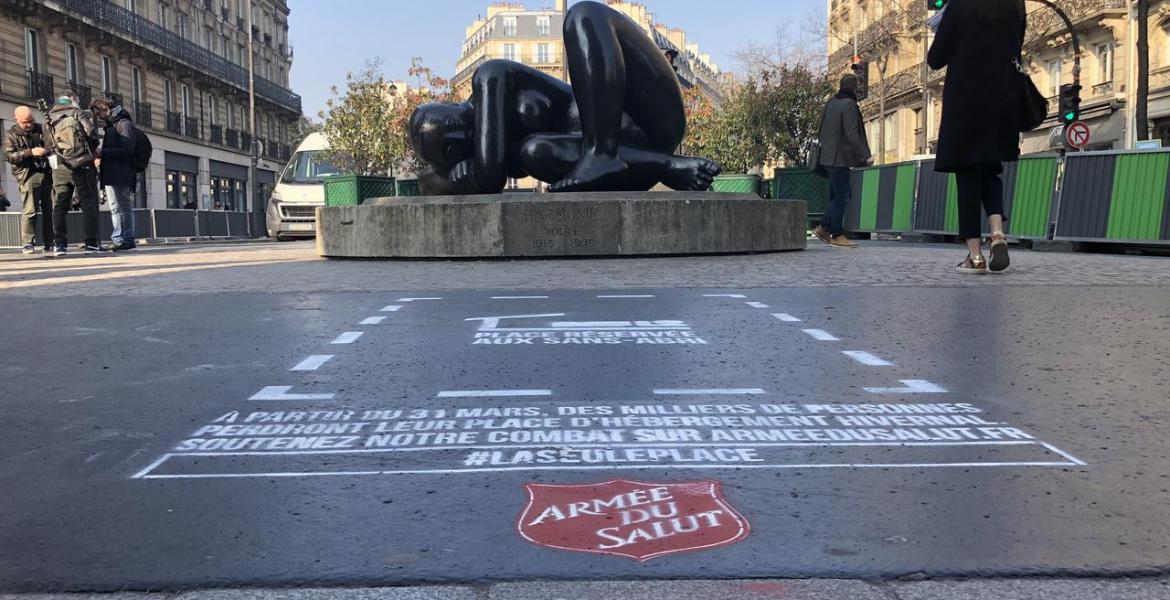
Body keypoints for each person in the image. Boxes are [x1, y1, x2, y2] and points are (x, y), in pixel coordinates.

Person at [409, 0, 721, 195]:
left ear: (452, 103)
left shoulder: (490, 77)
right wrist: (453, 175)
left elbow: (490, 176)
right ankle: (665, 165)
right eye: (449, 146)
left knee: (584, 14)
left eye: (450, 121)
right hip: (634, 161)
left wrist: (470, 174)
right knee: (534, 152)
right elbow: (426, 184)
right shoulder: (505, 150)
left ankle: (601, 152)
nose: (458, 132)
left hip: (646, 112)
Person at [928, 0, 1026, 274]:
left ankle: (975, 256)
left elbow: (935, 58)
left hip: (966, 99)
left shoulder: (960, 5)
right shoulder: (1015, 6)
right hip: (1001, 99)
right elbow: (1016, 46)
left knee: (968, 177)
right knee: (991, 170)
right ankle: (997, 234)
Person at [813, 74, 873, 249]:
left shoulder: (830, 103)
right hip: (840, 157)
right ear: (855, 89)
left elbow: (821, 128)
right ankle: (836, 234)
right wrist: (865, 155)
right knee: (842, 196)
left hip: (827, 157)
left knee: (836, 195)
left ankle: (824, 228)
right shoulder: (849, 105)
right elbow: (852, 133)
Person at [47, 95, 103, 256]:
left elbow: (48, 145)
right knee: (88, 203)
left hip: (60, 165)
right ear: (72, 102)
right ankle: (92, 243)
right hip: (82, 164)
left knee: (60, 204)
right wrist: (91, 150)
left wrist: (55, 167)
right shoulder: (78, 113)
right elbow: (91, 132)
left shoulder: (49, 118)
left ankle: (60, 245)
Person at [3, 106, 54, 255]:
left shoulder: (40, 129)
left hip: (45, 171)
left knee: (49, 210)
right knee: (30, 210)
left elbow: (52, 145)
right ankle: (28, 243)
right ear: (16, 120)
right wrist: (30, 152)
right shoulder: (11, 135)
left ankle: (49, 242)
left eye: (31, 121)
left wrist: (46, 150)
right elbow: (10, 156)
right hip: (28, 174)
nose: (29, 124)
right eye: (26, 122)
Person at [91, 99, 138, 251]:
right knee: (115, 207)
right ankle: (118, 238)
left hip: (121, 172)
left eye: (100, 113)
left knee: (123, 206)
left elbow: (128, 150)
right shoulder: (112, 125)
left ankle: (127, 239)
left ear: (107, 109)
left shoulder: (123, 124)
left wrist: (103, 152)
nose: (99, 116)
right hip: (112, 172)